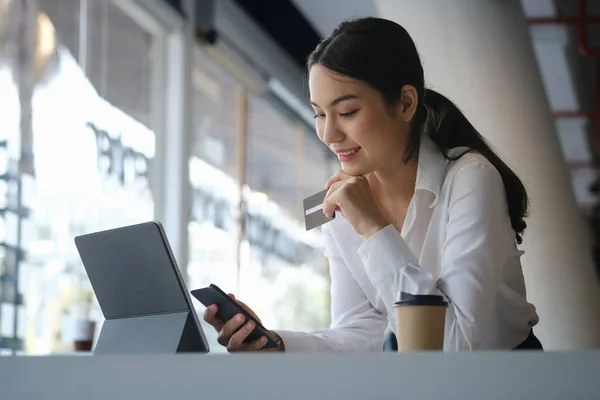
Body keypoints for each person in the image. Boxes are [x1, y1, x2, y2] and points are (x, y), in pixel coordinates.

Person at [203, 16, 542, 352]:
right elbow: (361, 332)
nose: (329, 135)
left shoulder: (471, 179)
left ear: (406, 103)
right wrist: (276, 344)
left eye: (347, 112)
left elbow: (452, 344)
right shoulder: (337, 205)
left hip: (509, 381)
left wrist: (374, 228)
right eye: (319, 114)